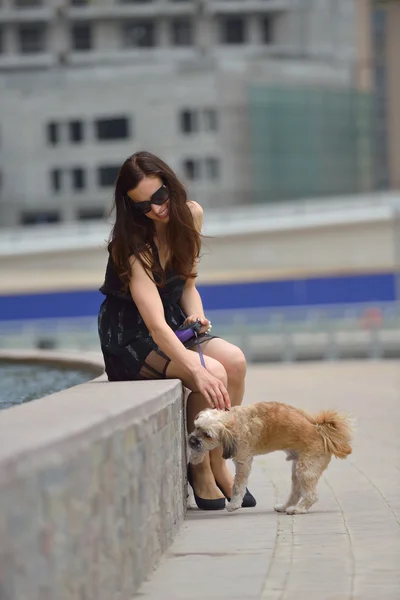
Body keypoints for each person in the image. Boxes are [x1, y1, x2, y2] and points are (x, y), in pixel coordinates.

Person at [98, 151, 255, 510]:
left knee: (234, 361)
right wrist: (194, 367)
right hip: (130, 337)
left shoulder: (192, 216)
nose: (155, 209)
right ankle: (199, 467)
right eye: (142, 206)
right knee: (211, 370)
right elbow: (152, 325)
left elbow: (187, 286)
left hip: (173, 323)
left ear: (171, 185)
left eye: (159, 197)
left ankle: (216, 460)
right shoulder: (130, 247)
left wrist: (196, 319)